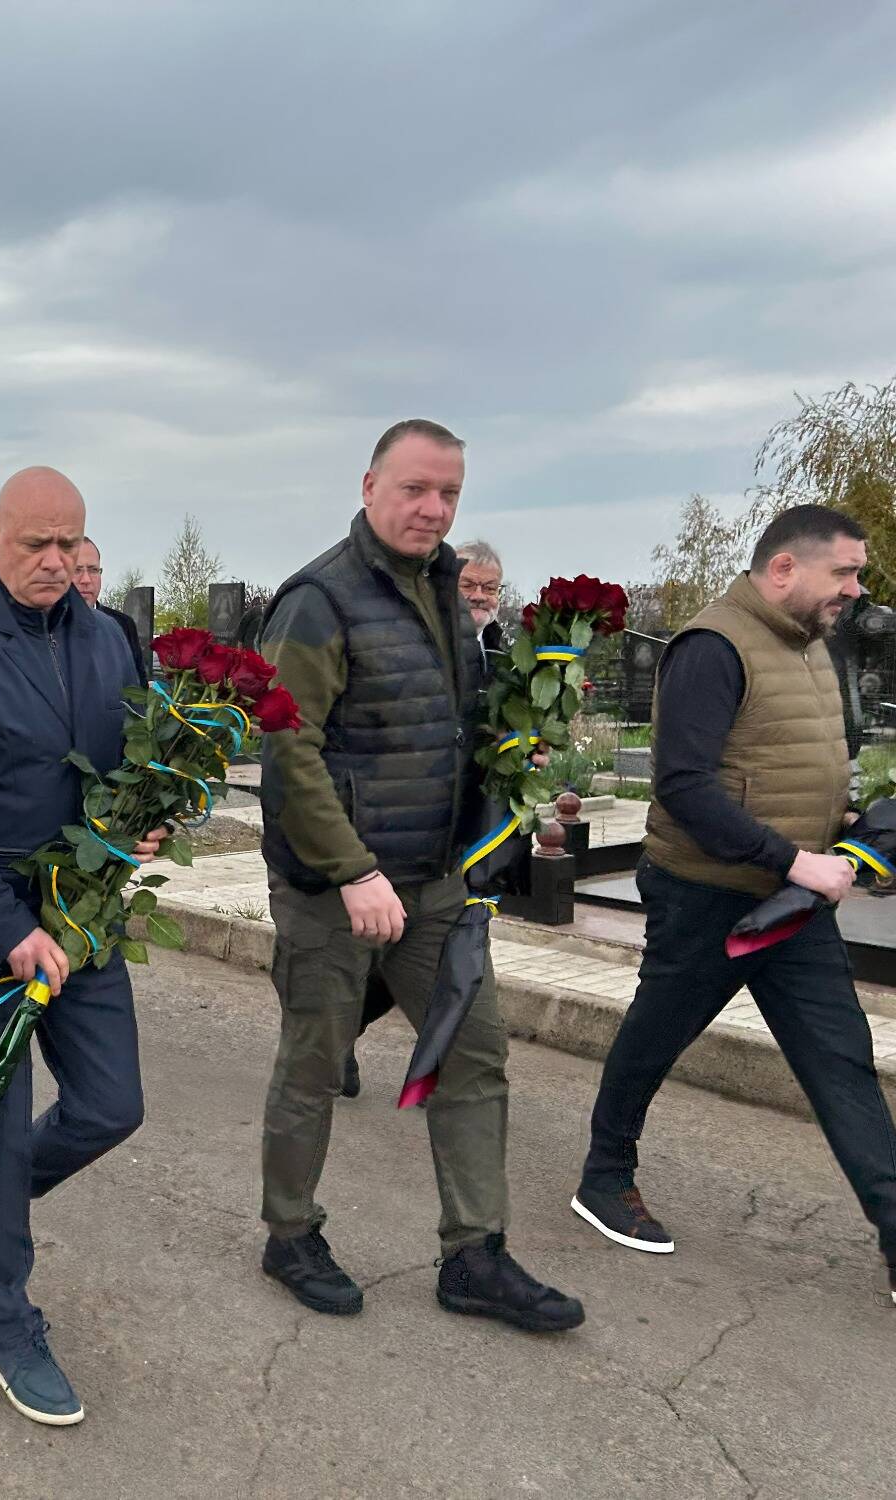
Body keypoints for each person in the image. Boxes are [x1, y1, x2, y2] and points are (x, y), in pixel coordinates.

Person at [258, 419, 584, 1333]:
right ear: (369, 486)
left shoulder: (449, 589)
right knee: (315, 1066)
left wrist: (519, 736)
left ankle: (474, 1255)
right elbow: (288, 750)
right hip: (336, 888)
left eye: (449, 494)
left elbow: (449, 723)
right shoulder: (319, 599)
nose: (433, 509)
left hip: (437, 883)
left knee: (473, 1061)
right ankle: (290, 1233)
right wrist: (351, 870)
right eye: (415, 489)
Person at [572, 505, 896, 1304]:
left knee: (841, 1060)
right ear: (784, 568)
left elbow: (786, 763)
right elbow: (684, 786)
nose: (855, 591)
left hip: (792, 901)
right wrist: (795, 857)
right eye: (845, 573)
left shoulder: (810, 643)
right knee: (656, 1036)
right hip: (707, 896)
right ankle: (604, 1177)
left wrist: (846, 830)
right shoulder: (712, 647)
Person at [0, 467, 163, 1427]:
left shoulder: (110, 641)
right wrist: (7, 929)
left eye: (70, 543)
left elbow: (134, 764)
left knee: (110, 1106)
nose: (55, 562)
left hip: (85, 923)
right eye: (33, 544)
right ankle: (8, 1320)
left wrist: (145, 822)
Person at [343, 536, 513, 1100]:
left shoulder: (504, 651)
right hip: (413, 825)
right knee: (398, 954)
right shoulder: (424, 643)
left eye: (490, 587)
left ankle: (442, 1061)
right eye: (470, 585)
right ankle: (337, 1036)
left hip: (473, 823)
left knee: (440, 948)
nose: (481, 597)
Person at [73, 536, 146, 686]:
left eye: (93, 570)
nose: (86, 580)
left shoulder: (123, 625)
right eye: (76, 570)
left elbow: (138, 690)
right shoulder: (44, 626)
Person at [456, 539, 507, 653]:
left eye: (489, 588)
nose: (479, 596)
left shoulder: (504, 664)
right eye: (467, 585)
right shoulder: (416, 650)